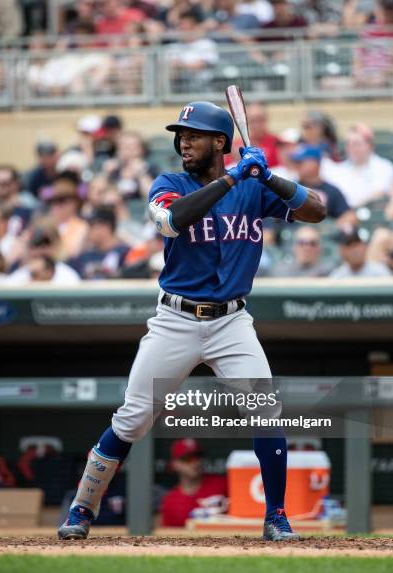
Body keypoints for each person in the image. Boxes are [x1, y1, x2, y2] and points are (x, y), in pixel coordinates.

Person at [58, 100, 325, 542]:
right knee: (133, 419)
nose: (184, 142)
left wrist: (270, 177)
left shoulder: (254, 187)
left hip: (232, 322)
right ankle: (83, 507)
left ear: (220, 142)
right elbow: (170, 221)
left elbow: (317, 210)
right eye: (181, 134)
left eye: (194, 135)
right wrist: (232, 178)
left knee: (266, 413)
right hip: (175, 319)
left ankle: (276, 515)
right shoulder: (170, 182)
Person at [322, 124, 393, 209]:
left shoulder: (384, 167)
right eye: (348, 144)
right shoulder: (339, 169)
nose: (352, 148)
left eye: (356, 144)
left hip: (372, 216)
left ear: (370, 145)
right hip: (343, 216)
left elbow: (379, 195)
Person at [160, 438, 227, 527]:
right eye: (188, 459)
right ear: (174, 464)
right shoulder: (170, 500)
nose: (196, 463)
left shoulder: (221, 484)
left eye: (198, 457)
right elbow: (167, 535)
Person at [290, 144, 356, 227]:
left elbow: (349, 216)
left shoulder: (331, 190)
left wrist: (331, 228)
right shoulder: (290, 188)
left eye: (301, 162)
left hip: (324, 237)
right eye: (296, 163)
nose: (297, 166)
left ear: (315, 164)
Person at [67, 206, 130, 280]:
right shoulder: (86, 255)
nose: (87, 230)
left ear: (105, 227)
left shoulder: (126, 253)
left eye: (91, 225)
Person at [225, 103, 280, 168]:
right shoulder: (236, 146)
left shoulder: (278, 143)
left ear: (266, 120)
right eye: (252, 120)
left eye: (260, 120)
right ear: (246, 121)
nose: (256, 125)